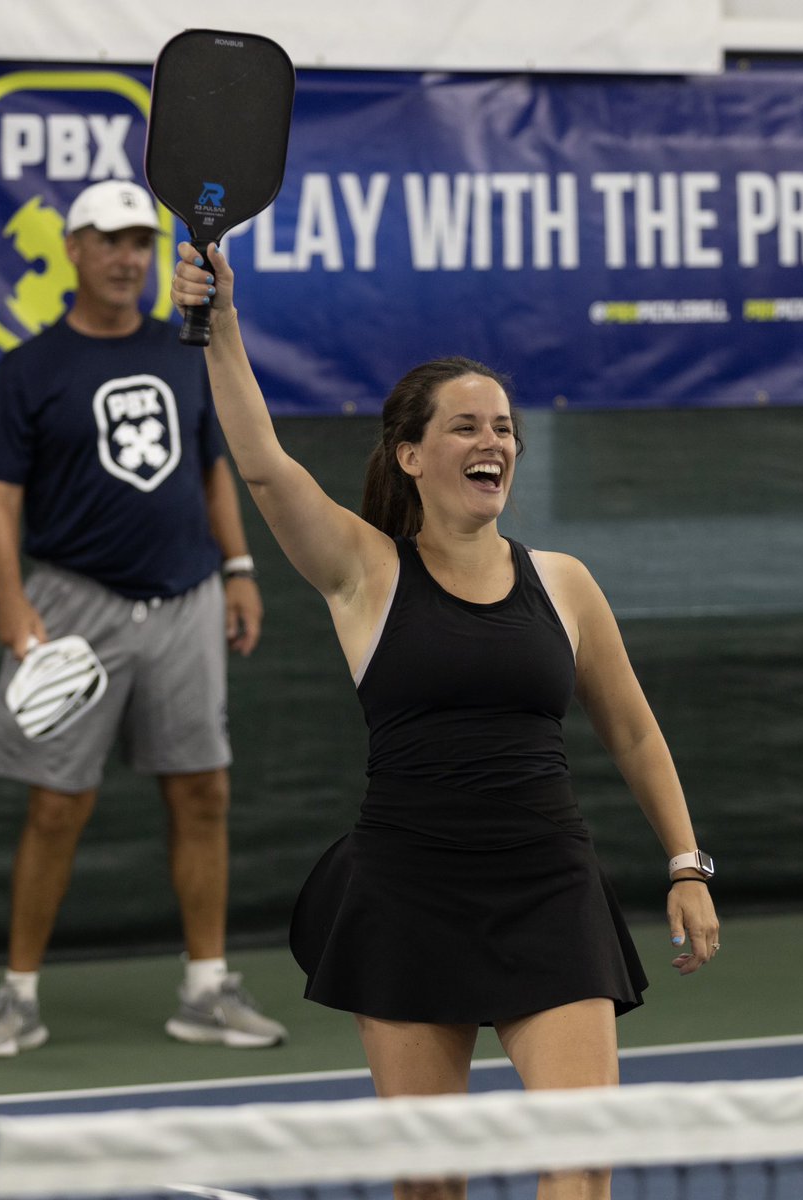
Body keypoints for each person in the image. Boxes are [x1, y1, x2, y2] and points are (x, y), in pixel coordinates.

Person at [171, 240, 719, 1200]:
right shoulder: (363, 570)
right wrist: (221, 325)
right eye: (465, 427)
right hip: (407, 890)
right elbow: (261, 465)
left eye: (503, 426)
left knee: (582, 1159)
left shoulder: (566, 583)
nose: (492, 443)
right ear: (412, 454)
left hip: (548, 885)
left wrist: (685, 864)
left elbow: (633, 731)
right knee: (430, 1183)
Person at [0, 181, 287, 1058]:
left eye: (138, 243)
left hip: (187, 598)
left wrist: (241, 568)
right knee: (58, 805)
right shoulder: (27, 367)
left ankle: (206, 990)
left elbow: (215, 465)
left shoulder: (187, 349)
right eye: (107, 241)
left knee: (203, 792)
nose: (126, 257)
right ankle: (17, 997)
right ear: (72, 249)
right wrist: (9, 598)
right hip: (71, 607)